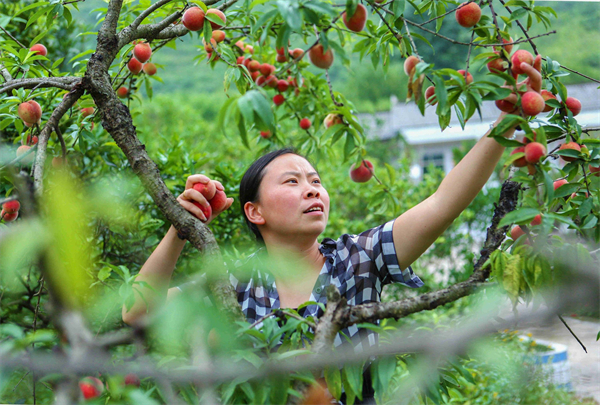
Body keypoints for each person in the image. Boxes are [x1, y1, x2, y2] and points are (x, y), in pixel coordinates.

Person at [123, 59, 542, 403]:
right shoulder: (234, 281)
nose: (312, 189)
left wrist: (508, 120)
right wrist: (182, 227)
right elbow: (138, 311)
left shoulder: (358, 258)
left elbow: (443, 202)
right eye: (292, 182)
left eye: (316, 180)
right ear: (254, 211)